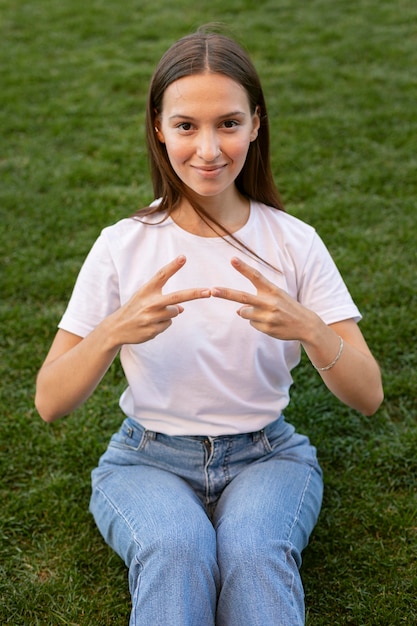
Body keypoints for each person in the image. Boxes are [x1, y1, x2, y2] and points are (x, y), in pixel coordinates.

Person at [35, 27, 383, 626]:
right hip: (146, 461)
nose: (209, 149)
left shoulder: (294, 242)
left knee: (252, 555)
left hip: (267, 457)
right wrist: (113, 330)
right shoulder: (122, 245)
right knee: (177, 550)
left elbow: (369, 395)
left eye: (228, 123)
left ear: (255, 123)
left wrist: (311, 328)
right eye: (186, 126)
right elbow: (49, 402)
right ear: (158, 129)